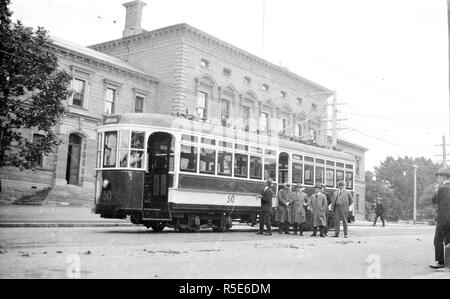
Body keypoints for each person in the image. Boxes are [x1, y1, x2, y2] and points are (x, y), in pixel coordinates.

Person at [429, 168, 450, 269]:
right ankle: (448, 261)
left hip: (443, 218)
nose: (438, 179)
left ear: (444, 177)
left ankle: (440, 261)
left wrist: (437, 189)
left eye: (439, 177)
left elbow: (434, 200)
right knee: (448, 240)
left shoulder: (442, 188)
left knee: (438, 240)